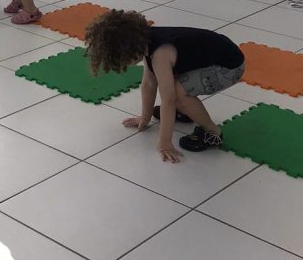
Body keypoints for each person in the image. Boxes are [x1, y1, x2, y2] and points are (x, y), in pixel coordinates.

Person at [85, 10, 245, 161]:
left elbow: (169, 99)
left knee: (178, 93)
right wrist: (145, 117)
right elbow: (149, 83)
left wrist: (165, 142)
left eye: (122, 61)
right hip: (214, 57)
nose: (125, 65)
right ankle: (185, 110)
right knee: (173, 88)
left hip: (229, 68)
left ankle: (212, 133)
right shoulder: (145, 41)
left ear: (130, 51)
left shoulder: (160, 54)